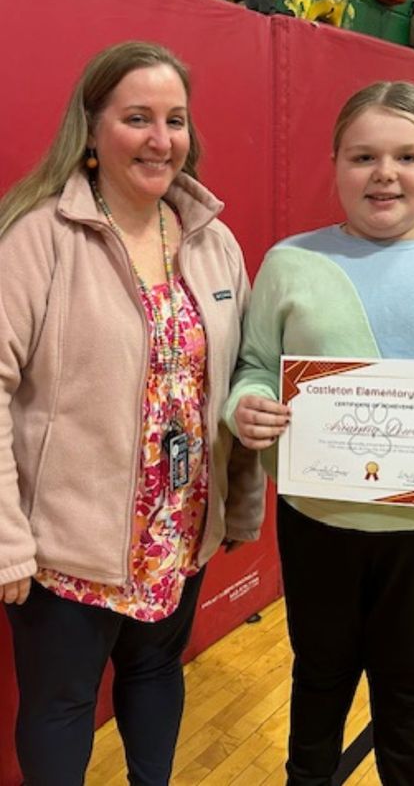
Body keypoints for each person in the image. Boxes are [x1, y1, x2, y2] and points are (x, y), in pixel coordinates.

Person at [0, 41, 264, 785]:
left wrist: (237, 498)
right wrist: (7, 538)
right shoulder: (38, 238)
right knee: (61, 704)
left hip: (177, 532)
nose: (161, 139)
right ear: (90, 130)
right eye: (137, 118)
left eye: (175, 120)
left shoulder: (213, 243)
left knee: (154, 675)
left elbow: (239, 374)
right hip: (66, 545)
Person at [224, 80, 414, 786]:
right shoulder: (291, 261)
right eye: (363, 156)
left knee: (411, 696)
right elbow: (253, 368)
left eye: (407, 155)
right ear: (337, 164)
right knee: (319, 681)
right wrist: (247, 407)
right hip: (318, 519)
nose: (385, 173)